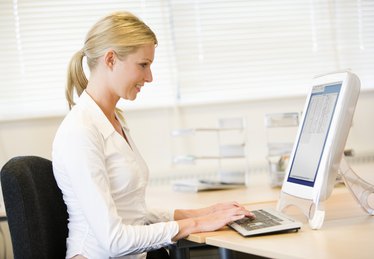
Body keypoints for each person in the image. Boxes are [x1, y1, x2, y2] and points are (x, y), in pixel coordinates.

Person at [52, 11, 253, 259]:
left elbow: (133, 213)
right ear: (111, 59)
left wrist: (201, 213)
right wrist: (196, 225)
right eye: (143, 65)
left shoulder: (112, 120)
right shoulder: (80, 132)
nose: (149, 77)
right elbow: (114, 240)